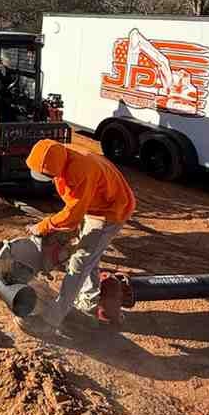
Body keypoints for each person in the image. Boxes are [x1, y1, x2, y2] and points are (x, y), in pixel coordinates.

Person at [25, 139, 135, 326]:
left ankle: (53, 318)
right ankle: (89, 300)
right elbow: (74, 207)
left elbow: (72, 215)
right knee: (89, 256)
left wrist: (43, 226)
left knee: (79, 262)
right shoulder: (60, 155)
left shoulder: (80, 171)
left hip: (109, 211)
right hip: (94, 204)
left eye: (47, 175)